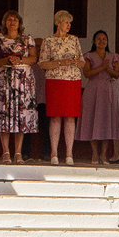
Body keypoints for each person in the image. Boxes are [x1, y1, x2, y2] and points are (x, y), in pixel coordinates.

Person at [0, 11, 38, 166]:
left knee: (20, 114)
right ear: (5, 23)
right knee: (5, 114)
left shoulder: (27, 39)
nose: (12, 22)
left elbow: (34, 59)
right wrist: (6, 60)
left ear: (19, 23)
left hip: (23, 80)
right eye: (9, 19)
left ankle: (18, 152)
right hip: (4, 80)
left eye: (15, 20)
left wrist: (20, 58)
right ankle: (6, 151)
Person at [41, 9, 86, 165]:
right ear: (58, 23)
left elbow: (82, 62)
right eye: (66, 22)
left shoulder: (74, 40)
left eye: (70, 23)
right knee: (55, 116)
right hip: (55, 80)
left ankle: (69, 154)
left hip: (73, 80)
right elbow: (42, 63)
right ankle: (54, 153)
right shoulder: (48, 41)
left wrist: (75, 62)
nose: (68, 25)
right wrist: (61, 63)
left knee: (70, 117)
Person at [80, 30, 119, 165]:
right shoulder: (88, 56)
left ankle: (104, 154)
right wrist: (101, 67)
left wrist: (107, 68)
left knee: (106, 121)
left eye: (104, 39)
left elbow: (116, 74)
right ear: (94, 41)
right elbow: (87, 73)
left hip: (107, 90)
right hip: (93, 90)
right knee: (93, 120)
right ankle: (94, 153)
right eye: (99, 39)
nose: (101, 41)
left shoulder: (113, 56)